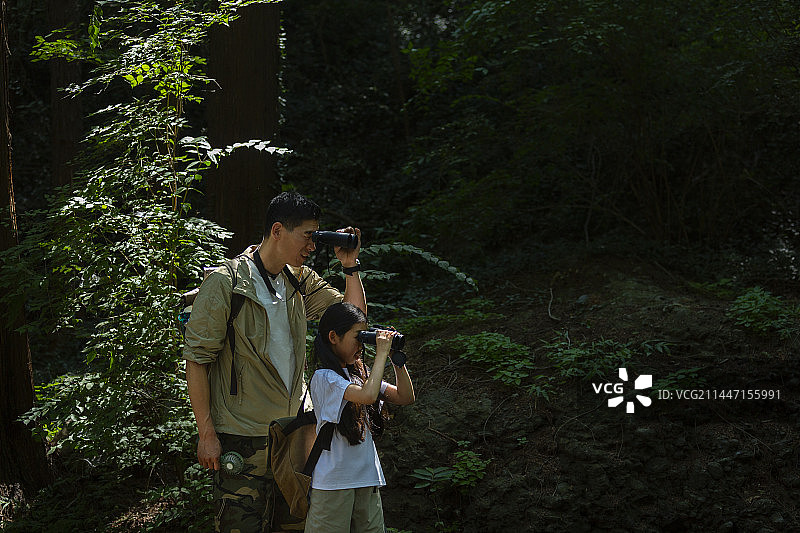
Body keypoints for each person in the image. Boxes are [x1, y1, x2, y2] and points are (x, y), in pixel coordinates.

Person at [182, 192, 366, 533]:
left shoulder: (299, 279)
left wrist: (350, 266)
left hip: (293, 433)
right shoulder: (227, 282)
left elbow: (352, 323)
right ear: (278, 230)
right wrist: (206, 433)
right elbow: (197, 361)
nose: (312, 246)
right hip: (242, 436)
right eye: (307, 235)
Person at [305, 302, 415, 533]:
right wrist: (381, 353)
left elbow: (405, 397)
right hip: (334, 483)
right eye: (359, 337)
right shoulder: (324, 377)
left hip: (367, 477)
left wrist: (396, 361)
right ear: (333, 337)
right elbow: (367, 395)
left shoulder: (360, 374)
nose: (361, 345)